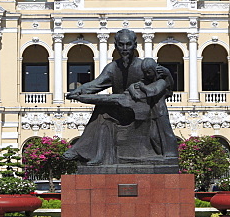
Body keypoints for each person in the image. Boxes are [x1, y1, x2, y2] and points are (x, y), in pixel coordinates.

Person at [63, 30, 178, 172]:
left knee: (107, 105)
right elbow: (96, 84)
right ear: (116, 46)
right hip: (121, 108)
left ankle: (81, 150)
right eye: (121, 45)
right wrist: (78, 91)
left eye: (128, 45)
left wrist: (166, 74)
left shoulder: (144, 66)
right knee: (101, 110)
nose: (125, 49)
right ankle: (94, 155)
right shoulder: (113, 68)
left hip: (144, 111)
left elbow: (162, 85)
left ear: (135, 45)